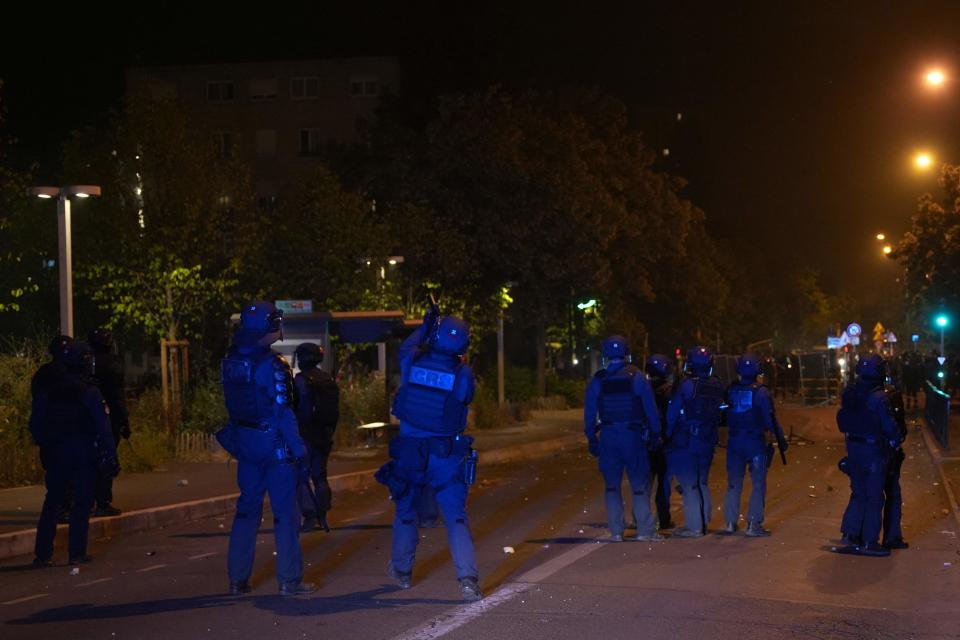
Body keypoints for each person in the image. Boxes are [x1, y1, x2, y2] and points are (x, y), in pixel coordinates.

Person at [381, 305, 481, 602]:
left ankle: (401, 572)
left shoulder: (412, 361)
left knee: (406, 512)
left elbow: (408, 345)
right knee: (455, 518)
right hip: (444, 454)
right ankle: (467, 581)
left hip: (411, 452)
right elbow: (465, 399)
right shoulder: (463, 374)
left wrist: (426, 326)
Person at [217, 301, 315, 596]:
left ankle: (237, 579)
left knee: (246, 512)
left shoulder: (232, 359)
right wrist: (300, 450)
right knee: (286, 514)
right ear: (270, 326)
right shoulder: (274, 365)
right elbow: (284, 412)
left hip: (245, 443)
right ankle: (289, 579)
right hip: (274, 445)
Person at [30, 340, 118, 566]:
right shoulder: (89, 392)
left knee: (52, 502)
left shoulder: (49, 389)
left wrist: (46, 445)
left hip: (57, 451)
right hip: (83, 452)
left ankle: (42, 554)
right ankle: (76, 552)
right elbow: (102, 426)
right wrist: (110, 454)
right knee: (81, 503)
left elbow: (36, 422)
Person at [584, 336, 662, 542]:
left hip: (608, 437)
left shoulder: (598, 380)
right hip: (632, 436)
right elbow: (650, 410)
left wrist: (591, 438)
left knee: (611, 486)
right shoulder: (637, 377)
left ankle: (616, 531)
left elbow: (590, 413)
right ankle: (645, 531)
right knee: (638, 485)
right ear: (626, 352)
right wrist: (655, 434)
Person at [835, 353, 901, 557]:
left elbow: (842, 421)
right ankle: (869, 542)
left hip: (853, 447)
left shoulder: (851, 392)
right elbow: (889, 426)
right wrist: (896, 439)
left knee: (858, 493)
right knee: (874, 496)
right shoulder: (880, 397)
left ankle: (850, 535)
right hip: (873, 450)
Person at [720, 353, 788, 537]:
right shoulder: (761, 392)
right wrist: (781, 440)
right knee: (758, 484)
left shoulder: (731, 389)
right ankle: (753, 524)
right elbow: (770, 420)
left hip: (734, 442)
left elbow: (723, 413)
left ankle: (730, 523)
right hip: (755, 442)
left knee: (734, 484)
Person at [665, 346, 725, 537]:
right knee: (702, 482)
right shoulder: (716, 384)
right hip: (708, 439)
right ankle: (704, 520)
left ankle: (694, 527)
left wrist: (666, 433)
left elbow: (673, 412)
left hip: (689, 439)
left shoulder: (687, 385)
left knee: (690, 484)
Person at [293, 342, 339, 533]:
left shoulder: (301, 381)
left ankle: (310, 515)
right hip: (323, 434)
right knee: (320, 476)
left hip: (304, 434)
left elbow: (296, 408)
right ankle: (323, 514)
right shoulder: (327, 380)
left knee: (300, 477)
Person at [88, 327, 130, 517]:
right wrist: (124, 421)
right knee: (106, 457)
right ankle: (103, 502)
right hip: (108, 418)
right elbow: (117, 396)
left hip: (87, 418)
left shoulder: (86, 364)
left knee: (88, 460)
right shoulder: (113, 365)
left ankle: (86, 500)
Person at [645, 354, 676, 530]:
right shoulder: (670, 391)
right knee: (663, 484)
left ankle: (640, 518)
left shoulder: (642, 388)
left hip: (647, 441)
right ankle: (663, 518)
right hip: (664, 442)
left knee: (645, 483)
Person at [881, 373, 909, 550]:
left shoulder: (857, 394)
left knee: (865, 495)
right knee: (892, 495)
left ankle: (857, 535)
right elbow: (898, 431)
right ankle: (891, 538)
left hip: (862, 454)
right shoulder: (887, 398)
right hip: (887, 455)